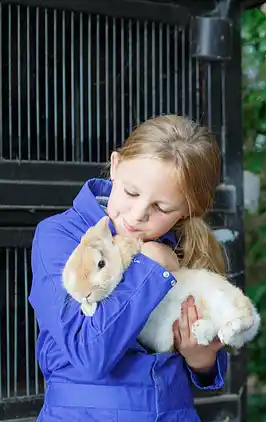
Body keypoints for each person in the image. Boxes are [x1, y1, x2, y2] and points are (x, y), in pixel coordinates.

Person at [28, 115, 230, 421]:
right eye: (131, 193)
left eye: (161, 208)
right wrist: (150, 265)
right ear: (115, 166)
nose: (137, 215)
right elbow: (88, 354)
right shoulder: (59, 236)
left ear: (187, 211)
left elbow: (209, 352)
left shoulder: (185, 244)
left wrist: (203, 360)